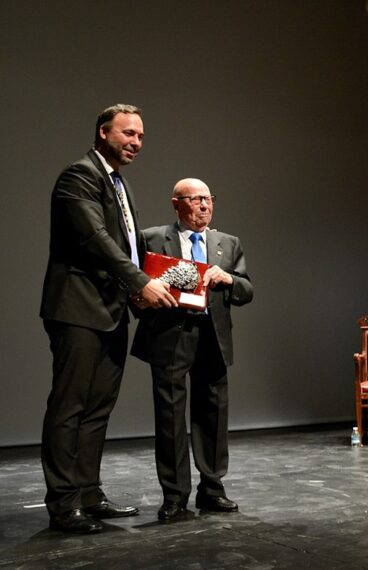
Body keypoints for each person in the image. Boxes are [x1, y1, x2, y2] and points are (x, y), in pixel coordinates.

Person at [39, 104, 177, 533]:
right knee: (70, 407)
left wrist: (142, 289)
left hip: (112, 309)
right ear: (103, 133)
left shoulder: (118, 183)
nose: (136, 142)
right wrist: (140, 282)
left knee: (98, 407)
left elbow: (127, 244)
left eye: (140, 136)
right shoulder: (79, 176)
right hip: (78, 307)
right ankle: (63, 504)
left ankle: (87, 492)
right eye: (128, 133)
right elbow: (94, 238)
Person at [131, 178, 254, 520]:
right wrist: (142, 298)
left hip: (213, 337)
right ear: (176, 204)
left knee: (213, 414)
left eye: (208, 198)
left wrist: (229, 279)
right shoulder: (153, 238)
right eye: (195, 199)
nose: (203, 205)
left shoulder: (228, 244)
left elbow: (246, 289)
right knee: (170, 417)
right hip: (170, 335)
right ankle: (174, 496)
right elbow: (135, 286)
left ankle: (212, 489)